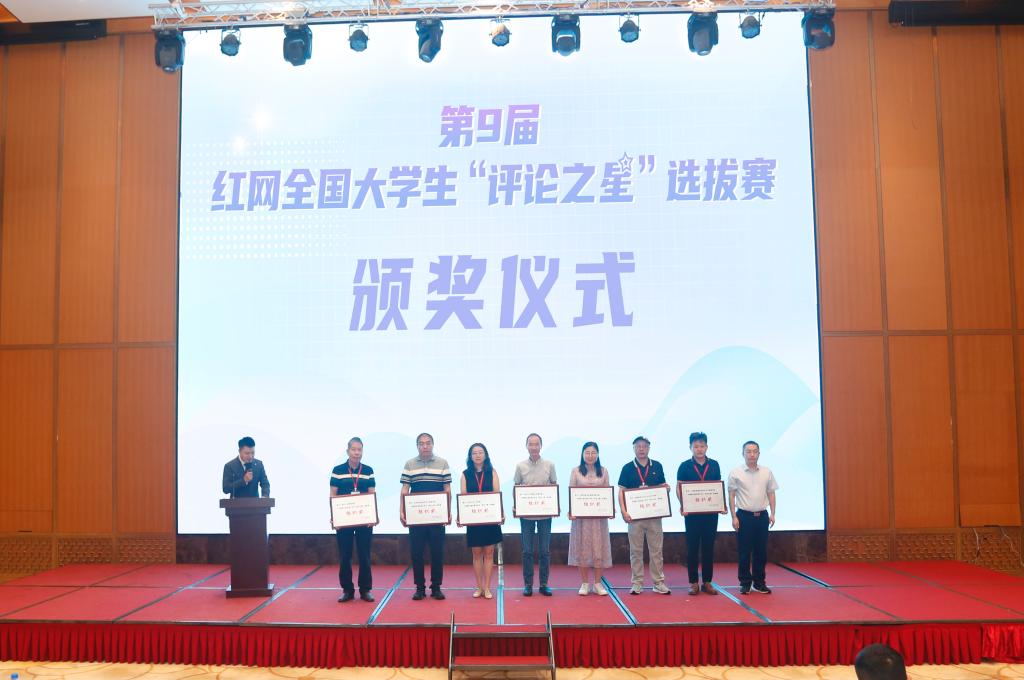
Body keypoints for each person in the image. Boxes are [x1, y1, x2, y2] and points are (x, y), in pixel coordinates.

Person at [400, 432, 452, 601]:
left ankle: (436, 587)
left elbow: (447, 489)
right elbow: (405, 489)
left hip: (437, 517)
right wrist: (402, 511)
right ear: (417, 446)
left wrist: (448, 511)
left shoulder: (443, 463)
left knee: (437, 553)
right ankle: (420, 588)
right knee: (417, 553)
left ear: (432, 444)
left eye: (428, 443)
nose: (425, 446)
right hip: (416, 517)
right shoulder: (409, 464)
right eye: (421, 443)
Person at [617, 436, 670, 595]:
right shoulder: (627, 468)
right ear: (634, 448)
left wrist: (666, 489)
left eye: (644, 446)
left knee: (656, 551)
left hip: (654, 517)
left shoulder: (657, 466)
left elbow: (662, 486)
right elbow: (621, 492)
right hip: (635, 518)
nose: (641, 449)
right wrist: (623, 511)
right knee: (635, 551)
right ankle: (637, 583)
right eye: (638, 446)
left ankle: (658, 583)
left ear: (649, 448)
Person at [676, 431, 727, 596]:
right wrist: (683, 505)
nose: (699, 449)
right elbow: (679, 487)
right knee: (692, 548)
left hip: (711, 514)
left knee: (708, 547)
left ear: (707, 447)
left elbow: (718, 487)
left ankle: (707, 582)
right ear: (690, 447)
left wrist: (722, 505)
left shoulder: (714, 465)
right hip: (692, 514)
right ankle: (693, 583)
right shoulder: (684, 466)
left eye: (702, 446)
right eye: (696, 446)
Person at [728, 440, 779, 595]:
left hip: (762, 516)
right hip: (744, 516)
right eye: (748, 451)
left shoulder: (767, 472)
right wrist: (733, 516)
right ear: (742, 454)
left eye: (755, 451)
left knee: (761, 552)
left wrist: (773, 513)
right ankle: (745, 582)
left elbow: (771, 493)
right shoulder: (735, 472)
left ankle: (759, 582)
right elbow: (731, 495)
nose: (752, 454)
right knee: (744, 552)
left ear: (759, 453)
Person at [330, 436, 375, 603]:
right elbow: (333, 495)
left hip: (364, 520)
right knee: (345, 556)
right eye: (354, 449)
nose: (357, 453)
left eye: (359, 450)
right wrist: (334, 517)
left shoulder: (368, 470)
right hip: (344, 520)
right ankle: (347, 590)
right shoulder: (338, 470)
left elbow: (372, 494)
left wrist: (373, 516)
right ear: (347, 451)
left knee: (365, 555)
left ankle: (365, 590)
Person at [513, 432, 556, 597]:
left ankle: (544, 584)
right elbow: (516, 488)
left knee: (545, 551)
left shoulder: (550, 465)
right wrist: (517, 507)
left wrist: (554, 506)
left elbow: (554, 486)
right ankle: (528, 584)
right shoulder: (520, 466)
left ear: (541, 446)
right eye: (530, 444)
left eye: (536, 444)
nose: (533, 447)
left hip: (545, 515)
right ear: (526, 446)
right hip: (526, 516)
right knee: (527, 551)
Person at [568, 441, 612, 596]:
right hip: (581, 519)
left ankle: (598, 583)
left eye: (593, 453)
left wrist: (610, 508)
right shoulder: (575, 471)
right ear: (582, 454)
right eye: (587, 452)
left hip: (599, 519)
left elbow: (607, 493)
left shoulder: (604, 471)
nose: (590, 456)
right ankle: (585, 583)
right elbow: (571, 492)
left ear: (598, 455)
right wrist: (571, 511)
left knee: (599, 549)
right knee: (582, 549)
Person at [461, 443, 503, 599]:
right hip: (474, 520)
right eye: (474, 453)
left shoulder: (492, 472)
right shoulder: (465, 474)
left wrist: (500, 513)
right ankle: (479, 587)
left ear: (485, 455)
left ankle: (487, 588)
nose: (478, 455)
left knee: (489, 553)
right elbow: (463, 498)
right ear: (470, 456)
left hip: (490, 519)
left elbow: (497, 494)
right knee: (477, 554)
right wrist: (462, 516)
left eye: (480, 452)